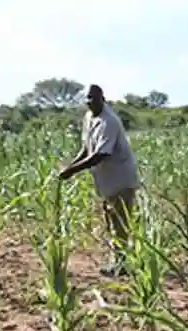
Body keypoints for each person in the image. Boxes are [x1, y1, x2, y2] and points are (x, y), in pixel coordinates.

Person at [58, 84, 140, 275]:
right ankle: (117, 261)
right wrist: (70, 166)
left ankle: (121, 264)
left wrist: (72, 171)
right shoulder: (89, 118)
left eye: (93, 98)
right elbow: (87, 149)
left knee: (119, 223)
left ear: (102, 98)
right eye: (87, 98)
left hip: (120, 179)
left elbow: (100, 154)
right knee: (111, 221)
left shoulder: (108, 121)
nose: (90, 102)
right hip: (106, 182)